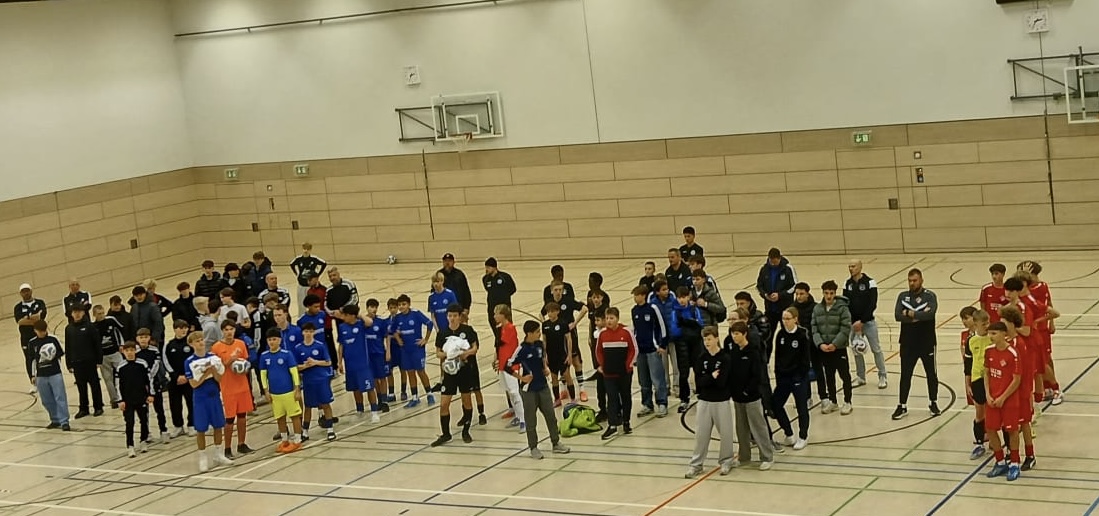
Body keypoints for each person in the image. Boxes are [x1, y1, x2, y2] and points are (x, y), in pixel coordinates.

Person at [509, 320, 571, 459]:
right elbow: (507, 365)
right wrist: (521, 377)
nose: (539, 334)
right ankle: (533, 447)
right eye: (537, 332)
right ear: (529, 333)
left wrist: (545, 368)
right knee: (531, 419)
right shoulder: (521, 349)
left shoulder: (539, 345)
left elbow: (542, 358)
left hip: (543, 386)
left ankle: (556, 443)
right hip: (529, 390)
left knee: (551, 416)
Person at [685, 326, 734, 478]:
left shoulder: (725, 358)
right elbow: (698, 383)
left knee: (725, 433)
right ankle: (696, 464)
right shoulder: (701, 358)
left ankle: (726, 461)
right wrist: (711, 377)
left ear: (717, 339)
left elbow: (722, 382)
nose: (707, 342)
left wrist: (708, 379)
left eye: (709, 339)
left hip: (721, 401)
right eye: (705, 339)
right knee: (701, 435)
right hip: (704, 401)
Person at [892, 268, 940, 420]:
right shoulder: (903, 296)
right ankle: (902, 405)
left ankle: (933, 402)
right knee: (905, 375)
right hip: (907, 343)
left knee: (931, 374)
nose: (912, 283)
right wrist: (916, 316)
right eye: (910, 281)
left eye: (915, 280)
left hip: (927, 342)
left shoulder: (930, 296)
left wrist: (910, 313)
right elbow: (897, 315)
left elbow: (929, 314)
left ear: (921, 280)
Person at [727, 322, 775, 471]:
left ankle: (767, 456)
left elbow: (757, 375)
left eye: (737, 334)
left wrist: (748, 391)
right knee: (741, 429)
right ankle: (744, 457)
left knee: (758, 427)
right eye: (732, 334)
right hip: (737, 397)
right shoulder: (734, 351)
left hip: (752, 397)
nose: (734, 337)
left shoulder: (753, 352)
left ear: (744, 334)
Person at [183, 331, 233, 472]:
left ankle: (218, 454)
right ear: (191, 344)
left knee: (218, 425)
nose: (200, 342)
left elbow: (219, 378)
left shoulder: (213, 358)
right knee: (201, 429)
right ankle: (202, 457)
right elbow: (194, 384)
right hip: (200, 398)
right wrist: (206, 373)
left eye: (201, 340)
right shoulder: (189, 362)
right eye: (197, 341)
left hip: (214, 395)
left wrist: (213, 371)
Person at [431, 304, 480, 447]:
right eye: (450, 316)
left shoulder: (467, 330)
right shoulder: (442, 333)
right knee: (444, 404)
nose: (452, 318)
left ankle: (466, 431)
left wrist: (464, 353)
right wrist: (449, 354)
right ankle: (446, 434)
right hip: (450, 372)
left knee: (466, 401)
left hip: (465, 371)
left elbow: (475, 348)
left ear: (459, 317)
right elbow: (438, 353)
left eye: (454, 316)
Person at [983, 321, 1022, 482]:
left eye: (994, 333)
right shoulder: (989, 351)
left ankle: (1015, 463)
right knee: (990, 429)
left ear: (1003, 334)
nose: (991, 336)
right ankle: (999, 462)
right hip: (992, 399)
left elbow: (1016, 379)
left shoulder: (1013, 353)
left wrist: (1003, 397)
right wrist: (987, 394)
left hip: (1009, 400)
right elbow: (986, 373)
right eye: (989, 333)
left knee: (1012, 431)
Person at [211, 320, 254, 457]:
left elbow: (246, 361)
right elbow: (216, 368)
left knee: (242, 417)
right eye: (226, 330)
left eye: (231, 329)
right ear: (222, 331)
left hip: (243, 386)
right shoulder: (216, 348)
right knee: (229, 420)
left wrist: (243, 367)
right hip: (228, 388)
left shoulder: (240, 344)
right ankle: (227, 448)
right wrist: (229, 361)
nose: (229, 332)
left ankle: (241, 444)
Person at [811, 281, 853, 416]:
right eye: (826, 293)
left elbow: (845, 328)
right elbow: (814, 328)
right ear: (822, 293)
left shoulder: (842, 309)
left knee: (844, 375)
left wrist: (835, 344)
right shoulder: (817, 309)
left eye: (831, 293)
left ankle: (847, 401)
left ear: (835, 293)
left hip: (839, 349)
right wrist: (820, 344)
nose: (829, 296)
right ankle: (833, 401)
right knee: (829, 376)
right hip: (825, 349)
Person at [772, 307, 811, 450]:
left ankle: (803, 436)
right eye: (783, 319)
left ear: (795, 319)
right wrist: (778, 375)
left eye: (788, 319)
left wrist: (800, 376)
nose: (785, 321)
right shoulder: (780, 334)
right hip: (783, 377)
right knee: (775, 405)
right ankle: (788, 433)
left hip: (798, 378)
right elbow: (777, 357)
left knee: (801, 408)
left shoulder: (802, 335)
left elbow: (805, 359)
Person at [259, 328, 305, 453]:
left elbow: (294, 372)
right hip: (275, 394)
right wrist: (266, 391)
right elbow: (263, 375)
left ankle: (297, 440)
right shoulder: (264, 356)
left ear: (279, 340)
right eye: (269, 340)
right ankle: (284, 440)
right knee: (280, 417)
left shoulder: (286, 354)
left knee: (294, 416)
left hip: (289, 392)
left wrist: (297, 389)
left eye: (274, 339)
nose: (272, 342)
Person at [844, 260, 888, 389]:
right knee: (856, 350)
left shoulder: (870, 282)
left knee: (876, 349)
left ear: (860, 267)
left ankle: (882, 376)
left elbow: (872, 303)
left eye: (853, 266)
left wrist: (862, 321)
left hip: (868, 322)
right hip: (854, 324)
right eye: (849, 266)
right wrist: (853, 322)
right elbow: (846, 303)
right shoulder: (847, 284)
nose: (851, 268)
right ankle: (861, 377)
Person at [596, 307, 638, 440]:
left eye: (611, 318)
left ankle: (626, 422)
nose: (609, 321)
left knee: (626, 397)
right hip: (609, 373)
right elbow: (598, 351)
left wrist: (628, 365)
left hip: (624, 373)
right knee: (612, 398)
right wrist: (603, 366)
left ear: (617, 319)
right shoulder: (602, 334)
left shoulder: (626, 331)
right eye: (607, 318)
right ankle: (612, 425)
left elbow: (634, 349)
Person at [337, 305, 383, 422]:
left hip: (363, 365)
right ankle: (360, 410)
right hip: (350, 364)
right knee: (355, 389)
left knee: (369, 388)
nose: (343, 317)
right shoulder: (342, 327)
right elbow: (341, 345)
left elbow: (370, 322)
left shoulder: (361, 324)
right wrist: (340, 362)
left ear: (352, 316)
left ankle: (374, 412)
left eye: (346, 315)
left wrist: (359, 315)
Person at [544, 282, 587, 403]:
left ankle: (582, 390)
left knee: (575, 361)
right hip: (556, 337)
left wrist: (575, 323)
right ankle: (563, 390)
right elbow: (541, 314)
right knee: (559, 363)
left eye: (560, 290)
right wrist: (545, 323)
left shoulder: (568, 300)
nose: (558, 292)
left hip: (569, 334)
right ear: (551, 290)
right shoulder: (549, 303)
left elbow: (584, 309)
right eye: (556, 290)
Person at [294, 322, 338, 442]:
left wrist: (315, 362)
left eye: (310, 331)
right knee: (308, 406)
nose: (308, 334)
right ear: (302, 333)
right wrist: (305, 366)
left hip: (321, 380)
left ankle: (330, 430)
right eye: (306, 331)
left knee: (325, 404)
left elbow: (328, 362)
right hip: (308, 381)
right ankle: (305, 432)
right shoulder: (298, 348)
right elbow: (296, 367)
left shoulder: (320, 345)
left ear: (313, 332)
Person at [391, 294, 435, 408]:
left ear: (409, 304)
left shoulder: (416, 314)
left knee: (421, 371)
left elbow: (430, 324)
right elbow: (392, 330)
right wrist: (398, 339)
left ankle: (429, 394)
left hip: (417, 348)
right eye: (399, 305)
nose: (401, 307)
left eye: (404, 304)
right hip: (405, 350)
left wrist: (425, 339)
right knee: (410, 372)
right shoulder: (397, 318)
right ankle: (415, 397)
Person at [631, 285, 668, 418]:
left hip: (653, 349)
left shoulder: (653, 308)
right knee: (643, 380)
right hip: (640, 351)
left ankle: (662, 403)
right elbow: (635, 330)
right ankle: (647, 404)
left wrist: (662, 345)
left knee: (657, 379)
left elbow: (662, 326)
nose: (635, 298)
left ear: (643, 296)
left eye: (636, 295)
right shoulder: (634, 310)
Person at [29, 320, 70, 430]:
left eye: (44, 331)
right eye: (40, 331)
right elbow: (31, 360)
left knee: (60, 397)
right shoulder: (32, 343)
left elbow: (60, 354)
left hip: (54, 373)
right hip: (41, 375)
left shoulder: (53, 339)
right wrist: (32, 375)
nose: (42, 333)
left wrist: (53, 357)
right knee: (46, 400)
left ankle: (64, 421)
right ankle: (55, 419)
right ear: (35, 331)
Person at [66, 303, 104, 418]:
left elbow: (97, 344)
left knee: (94, 385)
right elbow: (68, 347)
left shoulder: (90, 327)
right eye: (75, 312)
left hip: (90, 361)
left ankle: (98, 407)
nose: (77, 314)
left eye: (79, 312)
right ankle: (84, 408)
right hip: (77, 363)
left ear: (83, 313)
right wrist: (69, 363)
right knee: (81, 387)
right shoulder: (69, 329)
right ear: (71, 314)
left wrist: (99, 360)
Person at [116, 341, 154, 457]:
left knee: (144, 420)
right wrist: (120, 400)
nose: (129, 353)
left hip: (141, 397)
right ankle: (130, 446)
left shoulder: (142, 364)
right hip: (127, 400)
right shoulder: (120, 367)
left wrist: (150, 394)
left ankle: (143, 441)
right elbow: (117, 384)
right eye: (127, 350)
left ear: (135, 351)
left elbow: (149, 380)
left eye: (132, 350)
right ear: (123, 352)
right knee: (130, 423)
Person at [671, 286, 704, 412]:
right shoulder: (675, 312)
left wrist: (689, 324)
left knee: (699, 370)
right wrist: (687, 329)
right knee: (683, 373)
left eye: (684, 297)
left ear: (688, 296)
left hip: (696, 344)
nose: (681, 300)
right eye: (679, 298)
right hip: (682, 345)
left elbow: (700, 324)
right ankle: (684, 399)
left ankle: (702, 395)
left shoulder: (694, 309)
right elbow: (674, 330)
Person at [493, 304, 526, 432]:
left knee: (514, 392)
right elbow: (498, 347)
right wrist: (496, 359)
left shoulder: (510, 328)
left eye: (496, 314)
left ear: (503, 315)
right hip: (502, 364)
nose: (494, 316)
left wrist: (497, 332)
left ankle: (523, 420)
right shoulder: (501, 328)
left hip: (510, 365)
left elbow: (501, 342)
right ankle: (517, 416)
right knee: (509, 392)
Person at [963, 309, 991, 460]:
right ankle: (979, 444)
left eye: (988, 323)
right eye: (984, 324)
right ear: (976, 324)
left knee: (994, 413)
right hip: (977, 380)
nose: (987, 326)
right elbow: (968, 364)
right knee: (980, 413)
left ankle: (995, 441)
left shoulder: (993, 338)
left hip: (992, 379)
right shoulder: (970, 341)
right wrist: (968, 384)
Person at [135, 328, 169, 443]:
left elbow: (156, 365)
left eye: (145, 337)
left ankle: (163, 430)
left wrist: (149, 377)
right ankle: (146, 433)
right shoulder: (135, 352)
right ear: (137, 339)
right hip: (141, 386)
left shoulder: (154, 350)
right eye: (141, 337)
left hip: (154, 383)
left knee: (159, 409)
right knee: (144, 412)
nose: (143, 340)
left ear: (149, 338)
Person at [163, 320, 196, 438]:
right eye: (181, 328)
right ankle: (178, 426)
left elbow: (195, 360)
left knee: (191, 402)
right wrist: (175, 376)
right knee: (175, 404)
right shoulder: (169, 345)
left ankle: (192, 425)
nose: (183, 330)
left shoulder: (191, 344)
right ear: (175, 329)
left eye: (185, 328)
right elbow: (165, 361)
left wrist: (187, 376)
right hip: (174, 380)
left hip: (189, 379)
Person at [756, 248, 797, 341]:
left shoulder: (788, 268)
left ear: (779, 258)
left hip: (785, 309)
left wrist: (780, 295)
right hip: (770, 310)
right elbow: (759, 286)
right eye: (771, 262)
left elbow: (794, 286)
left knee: (788, 336)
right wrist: (765, 295)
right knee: (768, 337)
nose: (773, 264)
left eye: (775, 262)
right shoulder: (764, 269)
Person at [15, 283, 48, 393]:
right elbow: (20, 321)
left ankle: (46, 379)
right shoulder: (18, 307)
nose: (26, 293)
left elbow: (41, 317)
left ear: (31, 291)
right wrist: (33, 318)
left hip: (41, 336)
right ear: (20, 293)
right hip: (26, 338)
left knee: (44, 356)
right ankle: (33, 383)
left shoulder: (40, 303)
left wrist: (28, 319)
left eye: (27, 290)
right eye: (23, 291)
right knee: (29, 359)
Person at [92, 304, 125, 409]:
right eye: (99, 314)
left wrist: (121, 345)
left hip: (115, 353)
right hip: (103, 357)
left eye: (102, 313)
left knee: (123, 373)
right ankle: (114, 399)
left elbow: (121, 330)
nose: (101, 315)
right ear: (94, 315)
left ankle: (125, 395)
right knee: (108, 378)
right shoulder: (92, 327)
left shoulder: (111, 320)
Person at [362, 300, 392, 413]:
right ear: (367, 308)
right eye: (371, 307)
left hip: (379, 353)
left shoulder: (381, 322)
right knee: (374, 378)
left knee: (382, 377)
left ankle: (384, 401)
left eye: (375, 307)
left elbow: (387, 337)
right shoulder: (362, 322)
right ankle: (379, 400)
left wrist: (388, 351)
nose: (373, 309)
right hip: (368, 355)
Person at [541, 302, 574, 407]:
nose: (550, 314)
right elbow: (544, 341)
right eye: (548, 312)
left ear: (557, 312)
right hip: (551, 356)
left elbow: (569, 339)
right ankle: (557, 399)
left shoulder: (563, 323)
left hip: (562, 355)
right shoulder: (545, 325)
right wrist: (545, 356)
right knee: (554, 377)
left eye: (552, 311)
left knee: (567, 376)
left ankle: (573, 399)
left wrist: (569, 355)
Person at [483, 257, 517, 346]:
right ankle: (498, 342)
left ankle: (509, 344)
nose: (486, 269)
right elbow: (487, 289)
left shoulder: (505, 277)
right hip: (492, 306)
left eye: (488, 267)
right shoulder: (485, 279)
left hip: (504, 306)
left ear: (494, 267)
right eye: (486, 267)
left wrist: (504, 297)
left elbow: (513, 289)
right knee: (493, 324)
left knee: (506, 325)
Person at [289, 242, 327, 316]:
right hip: (301, 285)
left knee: (312, 303)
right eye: (304, 249)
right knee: (301, 304)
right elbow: (291, 264)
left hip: (311, 287)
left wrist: (318, 274)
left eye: (308, 249)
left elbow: (324, 263)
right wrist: (297, 274)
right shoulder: (298, 259)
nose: (306, 250)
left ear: (310, 250)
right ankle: (302, 317)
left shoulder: (314, 258)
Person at [438, 253, 473, 321]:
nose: (447, 263)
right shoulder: (439, 275)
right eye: (445, 261)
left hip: (459, 308)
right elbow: (434, 292)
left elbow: (466, 292)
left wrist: (466, 308)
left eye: (449, 261)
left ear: (454, 262)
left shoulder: (459, 275)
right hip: (444, 309)